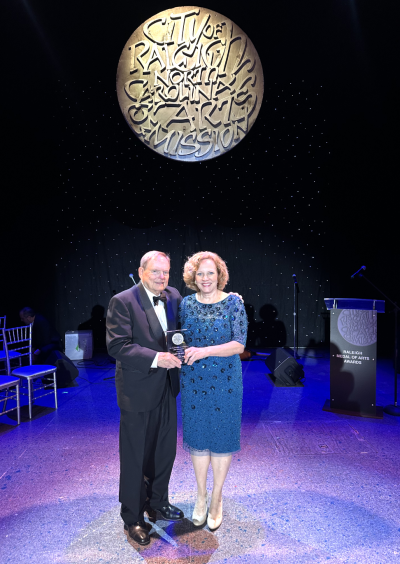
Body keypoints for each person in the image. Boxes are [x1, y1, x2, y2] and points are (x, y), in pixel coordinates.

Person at [106, 251, 184, 546]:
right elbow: (117, 345)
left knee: (165, 451)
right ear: (141, 271)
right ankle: (133, 517)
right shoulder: (123, 301)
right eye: (156, 272)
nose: (162, 277)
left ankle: (158, 502)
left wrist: (227, 300)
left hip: (167, 386)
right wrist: (156, 359)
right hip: (137, 391)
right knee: (135, 455)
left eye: (166, 272)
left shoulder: (173, 295)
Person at [179, 251, 247, 531]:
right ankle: (200, 495)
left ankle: (216, 498)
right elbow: (178, 338)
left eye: (211, 272)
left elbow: (239, 345)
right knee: (198, 437)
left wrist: (205, 351)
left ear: (220, 275)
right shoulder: (184, 304)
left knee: (222, 437)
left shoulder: (234, 303)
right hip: (193, 381)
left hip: (226, 380)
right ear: (192, 277)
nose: (205, 278)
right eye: (200, 273)